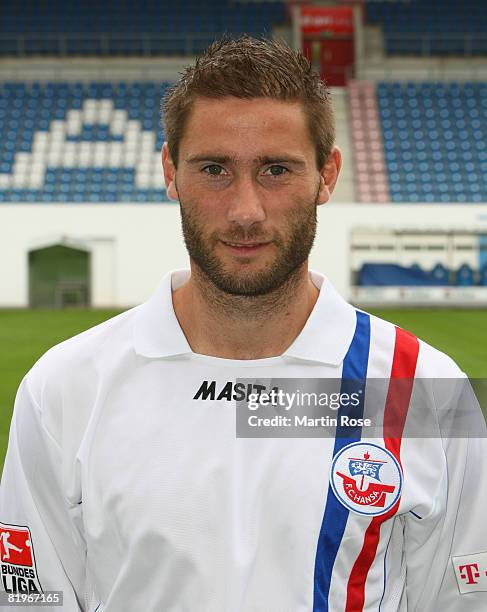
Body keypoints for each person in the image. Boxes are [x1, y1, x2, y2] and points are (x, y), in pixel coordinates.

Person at [0, 36, 486, 612]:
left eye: (276, 170)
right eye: (214, 170)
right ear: (170, 171)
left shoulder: (424, 390)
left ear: (327, 175)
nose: (245, 210)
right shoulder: (63, 388)